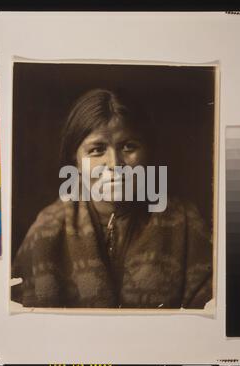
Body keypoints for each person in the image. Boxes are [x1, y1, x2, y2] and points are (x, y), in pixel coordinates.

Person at [11, 88, 213, 309]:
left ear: (148, 151)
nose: (115, 164)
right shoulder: (48, 229)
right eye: (97, 150)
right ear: (75, 160)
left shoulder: (183, 222)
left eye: (129, 147)